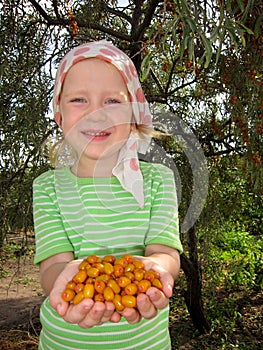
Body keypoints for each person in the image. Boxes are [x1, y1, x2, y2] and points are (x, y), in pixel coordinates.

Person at [33, 40, 183, 350]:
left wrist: (156, 269)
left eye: (112, 101)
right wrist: (68, 281)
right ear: (59, 116)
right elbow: (52, 268)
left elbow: (166, 254)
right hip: (64, 344)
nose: (95, 114)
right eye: (78, 99)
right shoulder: (47, 188)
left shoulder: (157, 181)